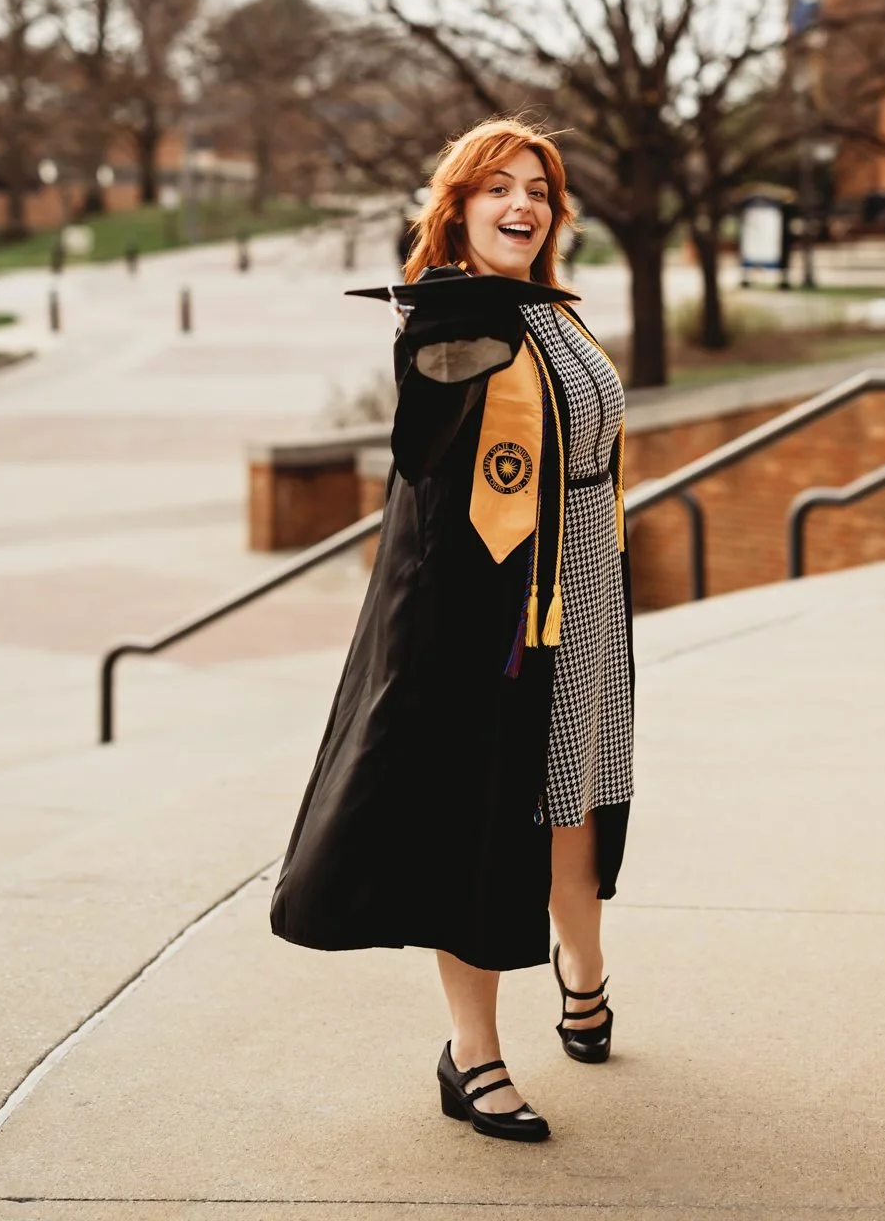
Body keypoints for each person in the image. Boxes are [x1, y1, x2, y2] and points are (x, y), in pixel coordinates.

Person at [271, 117, 634, 1143]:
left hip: (590, 596)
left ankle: (586, 969)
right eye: (497, 188)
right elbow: (429, 455)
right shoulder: (457, 320)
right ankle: (471, 1052)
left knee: (579, 800)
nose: (523, 203)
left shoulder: (549, 310)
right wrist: (440, 334)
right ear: (459, 207)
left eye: (539, 188)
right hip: (495, 622)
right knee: (483, 827)